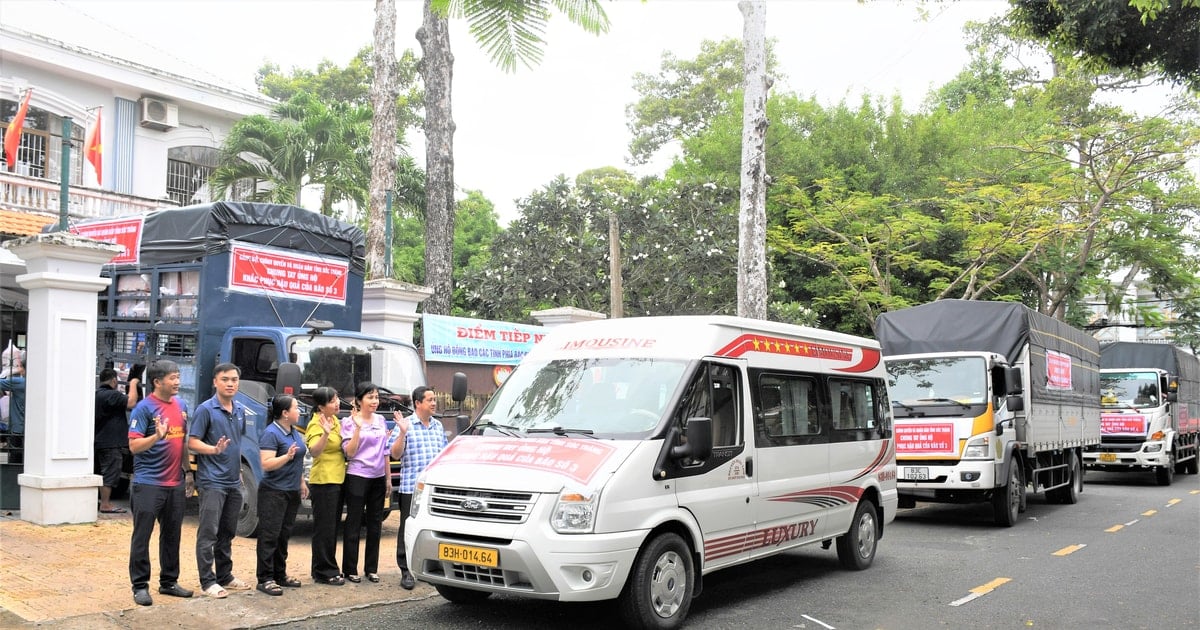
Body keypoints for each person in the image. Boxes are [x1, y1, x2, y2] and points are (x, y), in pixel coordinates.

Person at [127, 360, 194, 606]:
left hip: (174, 483)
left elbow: (183, 442)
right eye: (172, 378)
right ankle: (140, 586)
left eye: (178, 377)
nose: (177, 382)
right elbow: (134, 446)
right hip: (148, 483)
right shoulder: (144, 409)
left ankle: (169, 582)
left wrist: (188, 472)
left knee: (172, 535)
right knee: (142, 536)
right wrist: (156, 436)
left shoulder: (182, 405)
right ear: (157, 382)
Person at [187, 363, 252, 599]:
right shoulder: (206, 410)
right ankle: (207, 581)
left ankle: (225, 576)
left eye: (234, 379)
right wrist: (213, 451)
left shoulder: (240, 410)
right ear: (215, 382)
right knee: (208, 533)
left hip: (233, 481)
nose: (230, 383)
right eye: (225, 379)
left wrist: (240, 471)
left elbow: (237, 443)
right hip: (212, 481)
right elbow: (192, 442)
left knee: (227, 532)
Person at [389, 385, 447, 590]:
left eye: (434, 399)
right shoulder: (405, 424)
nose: (434, 403)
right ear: (418, 403)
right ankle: (406, 570)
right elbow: (395, 454)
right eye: (430, 399)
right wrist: (402, 434)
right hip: (412, 487)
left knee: (433, 527)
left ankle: (431, 567)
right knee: (407, 528)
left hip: (434, 490)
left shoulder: (438, 426)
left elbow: (444, 455)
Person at [340, 381, 395, 584]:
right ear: (359, 400)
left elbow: (386, 450)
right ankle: (349, 569)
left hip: (378, 477)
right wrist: (357, 428)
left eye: (376, 397)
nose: (375, 401)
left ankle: (371, 568)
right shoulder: (348, 422)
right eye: (370, 397)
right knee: (353, 523)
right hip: (357, 476)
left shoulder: (381, 420)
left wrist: (388, 478)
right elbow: (349, 452)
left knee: (375, 524)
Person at [256, 394, 309, 596]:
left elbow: (299, 461)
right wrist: (286, 457)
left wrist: (301, 481)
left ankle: (280, 574)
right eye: (296, 408)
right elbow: (266, 463)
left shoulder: (294, 432)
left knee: (284, 535)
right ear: (285, 413)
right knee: (269, 536)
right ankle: (265, 578)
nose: (299, 411)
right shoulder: (271, 433)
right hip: (273, 492)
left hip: (291, 490)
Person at [305, 386, 346, 586]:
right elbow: (314, 451)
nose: (337, 403)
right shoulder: (316, 424)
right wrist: (325, 434)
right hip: (323, 481)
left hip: (338, 479)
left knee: (332, 528)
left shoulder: (336, 421)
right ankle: (325, 571)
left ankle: (324, 568)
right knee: (324, 529)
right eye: (332, 401)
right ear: (321, 407)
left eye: (337, 398)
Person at [95, 368, 137, 513]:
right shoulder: (111, 395)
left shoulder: (97, 395)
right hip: (111, 442)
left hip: (100, 440)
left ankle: (100, 501)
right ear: (114, 381)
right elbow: (131, 402)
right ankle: (105, 504)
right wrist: (133, 384)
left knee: (101, 472)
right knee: (110, 473)